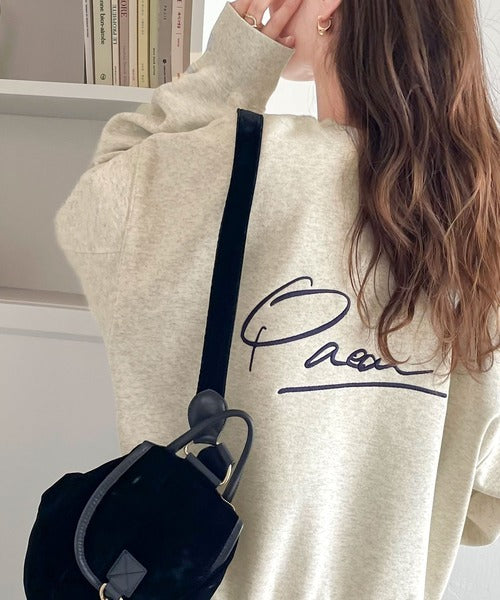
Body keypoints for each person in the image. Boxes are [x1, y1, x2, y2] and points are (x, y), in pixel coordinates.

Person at [54, 1, 500, 598]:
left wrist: (234, 60)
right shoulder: (477, 214)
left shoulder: (224, 163)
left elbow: (92, 217)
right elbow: (481, 501)